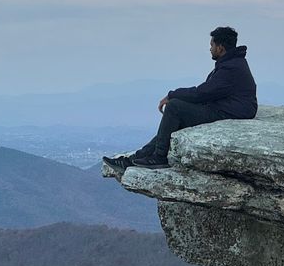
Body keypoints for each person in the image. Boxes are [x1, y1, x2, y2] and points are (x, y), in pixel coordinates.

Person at [103, 26, 257, 171]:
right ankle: (134, 160)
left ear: (220, 47)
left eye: (212, 45)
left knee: (175, 107)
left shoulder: (230, 68)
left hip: (229, 112)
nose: (210, 48)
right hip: (226, 108)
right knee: (176, 118)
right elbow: (207, 92)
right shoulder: (232, 63)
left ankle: (159, 157)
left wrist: (172, 95)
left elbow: (202, 93)